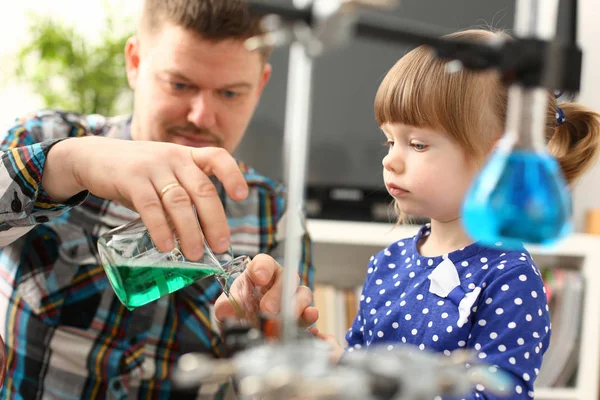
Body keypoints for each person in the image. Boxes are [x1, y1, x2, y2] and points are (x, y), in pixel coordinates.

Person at [0, 0, 317, 398]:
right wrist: (71, 164)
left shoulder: (276, 213)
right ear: (134, 62)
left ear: (260, 86)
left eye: (231, 93)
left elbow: (277, 380)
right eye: (180, 84)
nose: (202, 116)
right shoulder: (50, 138)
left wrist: (268, 347)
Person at [312, 29, 600, 399]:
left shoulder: (509, 279)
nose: (389, 160)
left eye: (417, 144)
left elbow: (497, 394)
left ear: (495, 158)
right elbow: (363, 372)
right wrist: (335, 368)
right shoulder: (387, 264)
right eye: (389, 140)